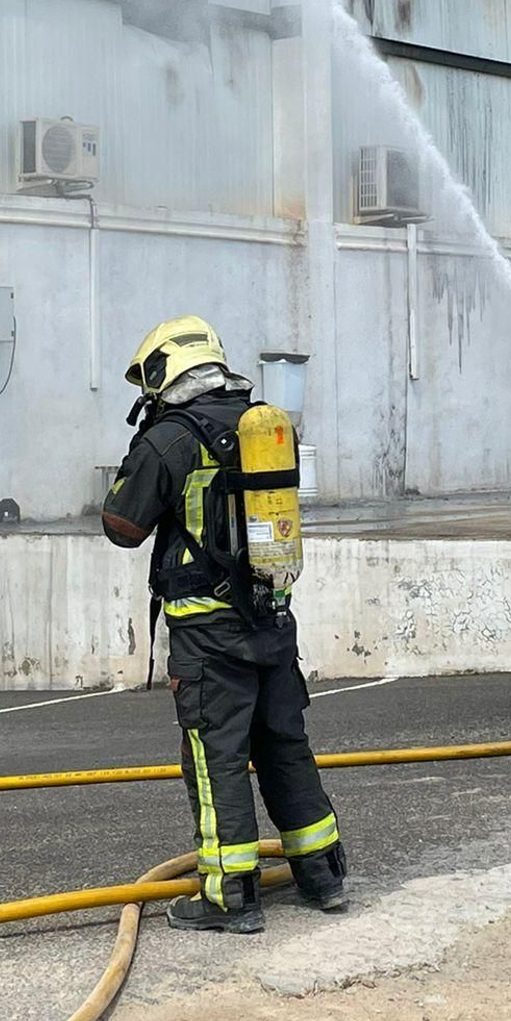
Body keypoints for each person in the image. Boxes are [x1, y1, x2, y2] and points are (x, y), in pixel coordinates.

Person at [101, 316, 346, 933]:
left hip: (208, 633)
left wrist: (143, 460)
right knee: (285, 744)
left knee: (218, 760)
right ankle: (323, 875)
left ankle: (229, 896)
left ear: (163, 373)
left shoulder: (170, 439)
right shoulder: (262, 424)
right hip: (271, 617)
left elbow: (122, 526)